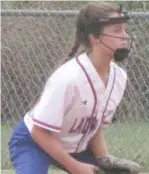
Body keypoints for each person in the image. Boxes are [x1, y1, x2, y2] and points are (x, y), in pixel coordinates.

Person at [8, 2, 140, 174]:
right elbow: (39, 132)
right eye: (117, 30)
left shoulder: (118, 77)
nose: (125, 35)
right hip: (34, 141)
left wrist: (104, 160)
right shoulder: (69, 78)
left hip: (73, 146)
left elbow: (94, 127)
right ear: (95, 37)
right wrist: (75, 167)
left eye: (124, 29)